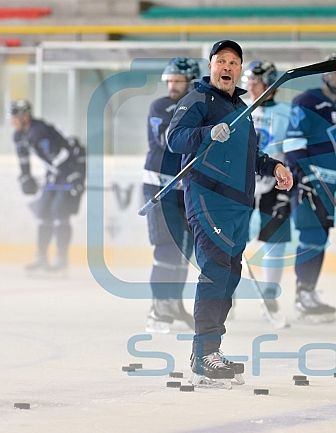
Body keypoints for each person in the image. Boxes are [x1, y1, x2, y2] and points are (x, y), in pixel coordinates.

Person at [166, 40, 293, 388]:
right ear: (210, 66)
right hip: (208, 199)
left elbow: (249, 154)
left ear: (239, 70)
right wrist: (207, 133)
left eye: (234, 62)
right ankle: (205, 352)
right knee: (215, 271)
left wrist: (274, 165)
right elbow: (174, 139)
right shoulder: (197, 100)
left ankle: (209, 351)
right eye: (221, 60)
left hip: (238, 202)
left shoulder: (242, 107)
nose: (227, 67)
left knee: (230, 275)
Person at [284, 54, 336, 324]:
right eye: (335, 72)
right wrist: (302, 174)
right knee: (310, 237)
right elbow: (293, 141)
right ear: (324, 75)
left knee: (320, 240)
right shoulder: (306, 101)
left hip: (330, 188)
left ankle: (309, 292)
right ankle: (302, 296)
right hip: (308, 185)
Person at [143, 58, 200, 334]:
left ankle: (173, 302)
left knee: (183, 250)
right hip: (160, 188)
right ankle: (158, 306)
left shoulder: (201, 108)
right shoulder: (160, 107)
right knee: (166, 247)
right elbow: (170, 140)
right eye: (170, 80)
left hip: (186, 188)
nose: (172, 85)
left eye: (178, 80)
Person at [8, 100, 85, 275]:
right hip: (58, 169)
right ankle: (42, 257)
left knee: (59, 209)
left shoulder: (38, 132)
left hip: (72, 166)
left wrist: (75, 177)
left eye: (15, 117)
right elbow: (24, 159)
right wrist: (25, 176)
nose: (12, 121)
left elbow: (63, 157)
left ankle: (61, 259)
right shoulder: (19, 135)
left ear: (25, 117)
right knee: (43, 210)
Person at [241, 60, 292, 314]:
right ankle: (227, 296)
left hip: (276, 183)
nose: (251, 86)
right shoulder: (239, 108)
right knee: (233, 241)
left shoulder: (287, 112)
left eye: (256, 81)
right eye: (249, 80)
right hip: (242, 183)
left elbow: (293, 150)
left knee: (276, 240)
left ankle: (269, 297)